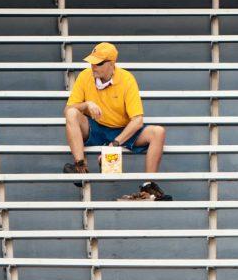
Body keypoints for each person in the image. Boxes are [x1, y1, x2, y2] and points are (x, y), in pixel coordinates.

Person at [62, 41, 170, 201]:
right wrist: (85, 105)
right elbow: (67, 110)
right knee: (72, 112)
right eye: (91, 62)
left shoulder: (126, 79)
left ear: (111, 64)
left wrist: (114, 144)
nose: (93, 66)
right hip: (95, 128)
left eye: (98, 63)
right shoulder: (85, 76)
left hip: (122, 131)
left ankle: (148, 186)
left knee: (158, 132)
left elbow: (137, 120)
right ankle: (80, 167)